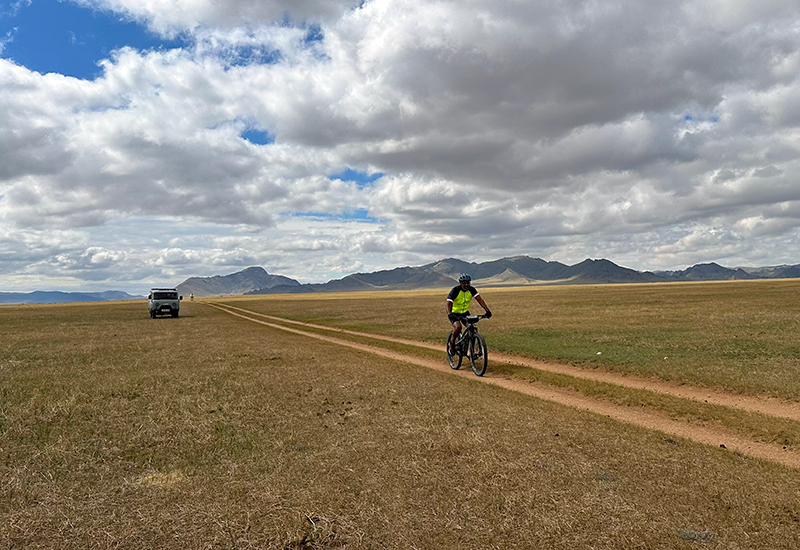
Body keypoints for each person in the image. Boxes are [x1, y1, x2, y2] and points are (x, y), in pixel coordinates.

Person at [446, 273, 491, 354]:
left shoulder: (471, 289)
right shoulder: (455, 290)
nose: (466, 285)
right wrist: (449, 313)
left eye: (468, 283)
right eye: (464, 283)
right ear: (460, 283)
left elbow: (479, 300)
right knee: (458, 327)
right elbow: (448, 303)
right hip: (454, 313)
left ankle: (471, 351)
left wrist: (487, 310)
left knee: (472, 328)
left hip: (465, 313)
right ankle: (452, 343)